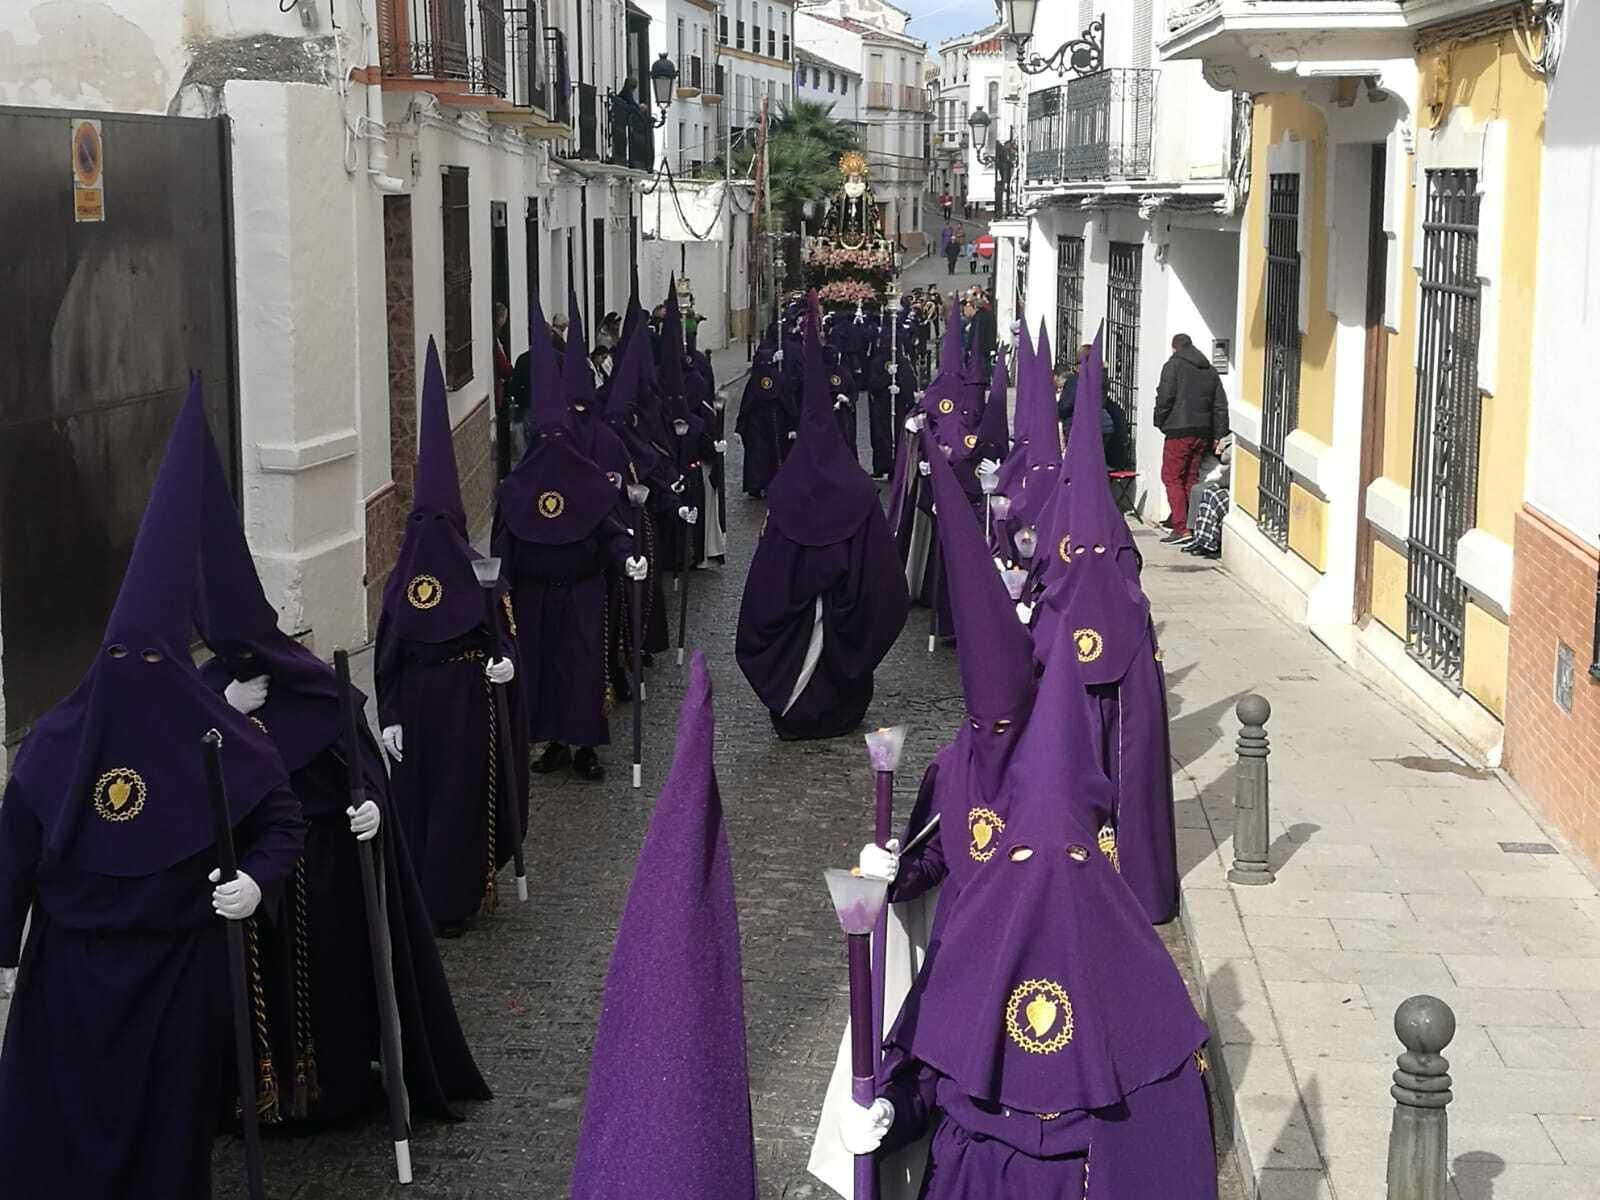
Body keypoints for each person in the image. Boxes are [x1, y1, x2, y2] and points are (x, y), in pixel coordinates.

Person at [0, 379, 307, 1198]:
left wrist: (255, 882)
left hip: (175, 977)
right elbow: (14, 848)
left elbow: (281, 820)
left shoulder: (216, 737)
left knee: (165, 1144)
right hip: (69, 981)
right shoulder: (56, 748)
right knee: (65, 1137)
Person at [836, 618, 1215, 1197]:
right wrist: (885, 1111)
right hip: (971, 1177)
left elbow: (1167, 1133)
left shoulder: (1135, 971)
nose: (1045, 878)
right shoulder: (975, 948)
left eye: (1069, 855)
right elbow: (925, 1075)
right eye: (1022, 857)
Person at [195, 414, 489, 1124]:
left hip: (324, 874)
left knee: (331, 987)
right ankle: (258, 1098)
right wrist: (220, 709)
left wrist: (373, 809)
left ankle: (339, 1088)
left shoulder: (312, 684)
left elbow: (359, 765)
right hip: (245, 879)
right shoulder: (201, 693)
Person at [376, 339, 527, 936]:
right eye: (422, 524)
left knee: (460, 802)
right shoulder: (399, 584)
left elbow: (506, 636)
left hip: (467, 702)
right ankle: (418, 897)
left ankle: (457, 897)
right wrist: (388, 713)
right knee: (417, 802)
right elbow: (388, 654)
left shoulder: (483, 578)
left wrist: (505, 665)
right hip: (416, 704)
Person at [736, 299, 909, 739]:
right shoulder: (857, 491)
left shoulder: (786, 490)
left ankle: (797, 710)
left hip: (797, 613)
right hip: (843, 615)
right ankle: (834, 709)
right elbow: (881, 573)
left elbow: (770, 569)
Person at [497, 299, 646, 783]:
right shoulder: (517, 488)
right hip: (535, 596)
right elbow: (503, 546)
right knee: (542, 671)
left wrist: (627, 560)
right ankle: (554, 742)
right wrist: (495, 589)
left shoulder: (587, 482)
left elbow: (607, 528)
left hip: (584, 591)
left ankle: (585, 746)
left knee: (583, 672)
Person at [1154, 332, 1229, 542]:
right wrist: (1218, 435)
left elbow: (1165, 397)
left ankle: (1180, 528)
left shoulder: (1173, 366)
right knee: (1190, 478)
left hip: (1178, 430)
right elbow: (1220, 406)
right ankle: (1193, 524)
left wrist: (1160, 420)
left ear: (1175, 348)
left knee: (1171, 477)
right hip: (1202, 433)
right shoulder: (1210, 371)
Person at [1185, 437, 1231, 559]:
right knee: (1197, 489)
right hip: (1224, 477)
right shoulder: (1231, 436)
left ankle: (1207, 541)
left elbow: (1226, 456)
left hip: (1228, 480)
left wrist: (1224, 447)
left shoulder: (1236, 442)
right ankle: (1196, 535)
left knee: (1210, 494)